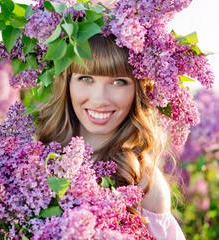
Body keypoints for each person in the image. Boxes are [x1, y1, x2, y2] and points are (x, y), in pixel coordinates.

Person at [35, 34, 186, 240]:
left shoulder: (145, 185)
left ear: (138, 90)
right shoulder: (33, 155)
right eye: (86, 78)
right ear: (67, 82)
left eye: (118, 82)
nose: (100, 100)